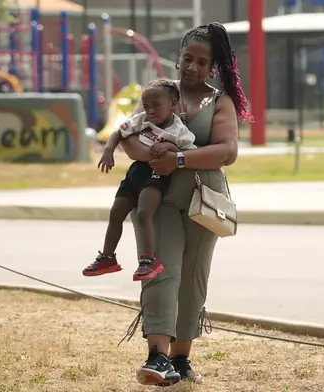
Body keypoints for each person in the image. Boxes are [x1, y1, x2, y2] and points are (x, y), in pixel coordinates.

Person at [118, 22, 251, 386]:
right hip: (157, 194)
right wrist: (149, 155)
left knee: (193, 275)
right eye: (187, 58)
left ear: (213, 67)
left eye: (201, 62)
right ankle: (157, 355)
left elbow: (227, 151)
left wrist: (178, 159)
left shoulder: (220, 101)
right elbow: (128, 134)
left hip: (203, 200)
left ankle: (181, 358)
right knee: (160, 269)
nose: (192, 66)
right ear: (178, 58)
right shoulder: (159, 93)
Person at [82, 79, 196, 281]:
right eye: (147, 105)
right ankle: (108, 257)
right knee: (116, 212)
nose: (151, 110)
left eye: (157, 105)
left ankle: (149, 259)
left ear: (173, 104)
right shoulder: (141, 120)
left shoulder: (179, 131)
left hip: (156, 173)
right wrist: (108, 151)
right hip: (134, 173)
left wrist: (169, 147)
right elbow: (118, 132)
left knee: (144, 212)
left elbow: (187, 153)